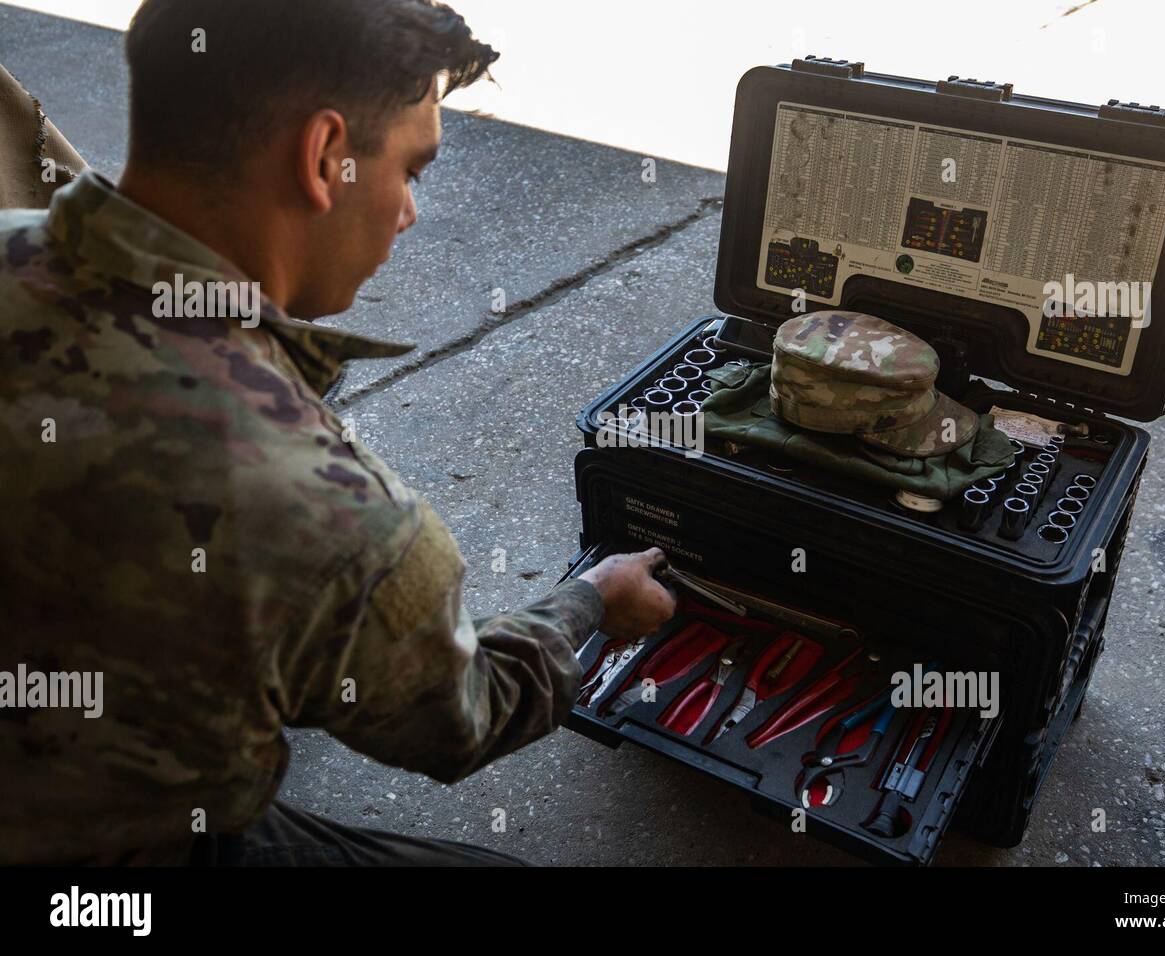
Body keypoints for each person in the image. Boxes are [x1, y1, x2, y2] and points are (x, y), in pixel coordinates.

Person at [0, 0, 676, 866]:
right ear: (325, 159)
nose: (410, 213)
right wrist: (593, 601)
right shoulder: (324, 510)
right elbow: (462, 715)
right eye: (413, 171)